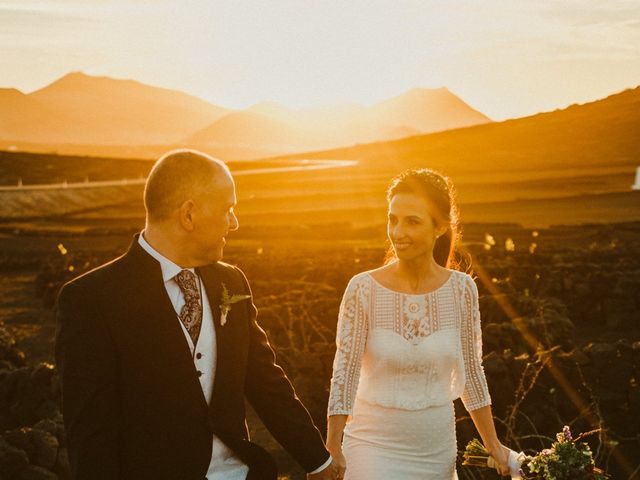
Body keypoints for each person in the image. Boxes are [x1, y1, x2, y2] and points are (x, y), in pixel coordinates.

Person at [55, 149, 335, 480]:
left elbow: (265, 381)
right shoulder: (91, 298)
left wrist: (319, 462)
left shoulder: (231, 281)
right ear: (189, 215)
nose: (235, 222)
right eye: (228, 209)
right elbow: (90, 432)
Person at [325, 168, 511, 479]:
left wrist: (494, 445)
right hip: (371, 443)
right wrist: (332, 445)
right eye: (392, 219)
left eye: (412, 221)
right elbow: (345, 371)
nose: (398, 232)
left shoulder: (462, 290)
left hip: (435, 449)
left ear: (440, 226)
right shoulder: (363, 289)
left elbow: (471, 374)